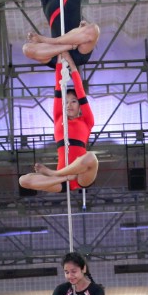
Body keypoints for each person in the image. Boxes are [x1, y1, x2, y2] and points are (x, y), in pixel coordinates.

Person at [19, 53, 98, 193]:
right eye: (66, 102)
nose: (69, 105)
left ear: (79, 105)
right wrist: (59, 63)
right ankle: (60, 176)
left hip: (80, 175)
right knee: (23, 180)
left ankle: (55, 174)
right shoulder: (58, 118)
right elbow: (58, 85)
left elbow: (80, 91)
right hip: (62, 180)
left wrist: (72, 66)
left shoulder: (87, 121)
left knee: (91, 157)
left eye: (74, 101)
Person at [22, 0, 100, 68]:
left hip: (79, 51)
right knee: (26, 49)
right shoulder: (47, 0)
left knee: (94, 29)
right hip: (56, 54)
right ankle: (67, 46)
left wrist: (43, 40)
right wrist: (69, 46)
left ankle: (49, 41)